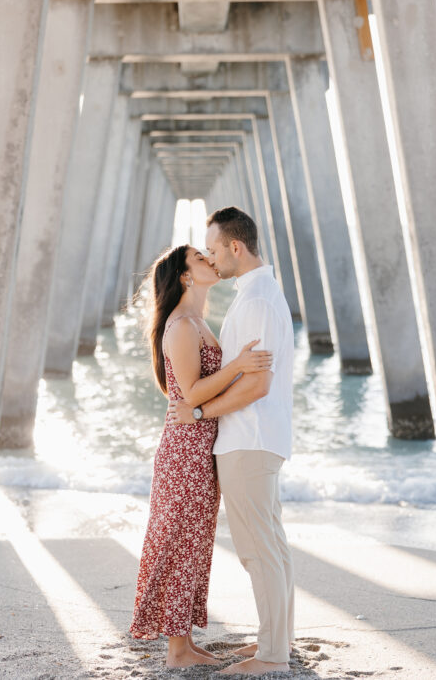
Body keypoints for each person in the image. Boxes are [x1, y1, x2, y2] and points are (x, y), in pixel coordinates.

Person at [129, 243, 273, 669]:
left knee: (192, 543)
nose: (210, 260)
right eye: (199, 258)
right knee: (178, 542)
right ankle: (176, 652)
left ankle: (185, 644)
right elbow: (191, 394)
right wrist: (240, 367)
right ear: (186, 277)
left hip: (198, 445)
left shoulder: (196, 322)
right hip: (184, 450)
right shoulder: (182, 326)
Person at [172, 206, 296, 676]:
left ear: (235, 247)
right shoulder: (256, 296)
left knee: (258, 550)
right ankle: (274, 643)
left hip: (250, 439)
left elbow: (257, 385)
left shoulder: (258, 301)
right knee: (271, 547)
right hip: (255, 438)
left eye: (215, 249)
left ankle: (271, 657)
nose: (212, 257)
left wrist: (200, 410)